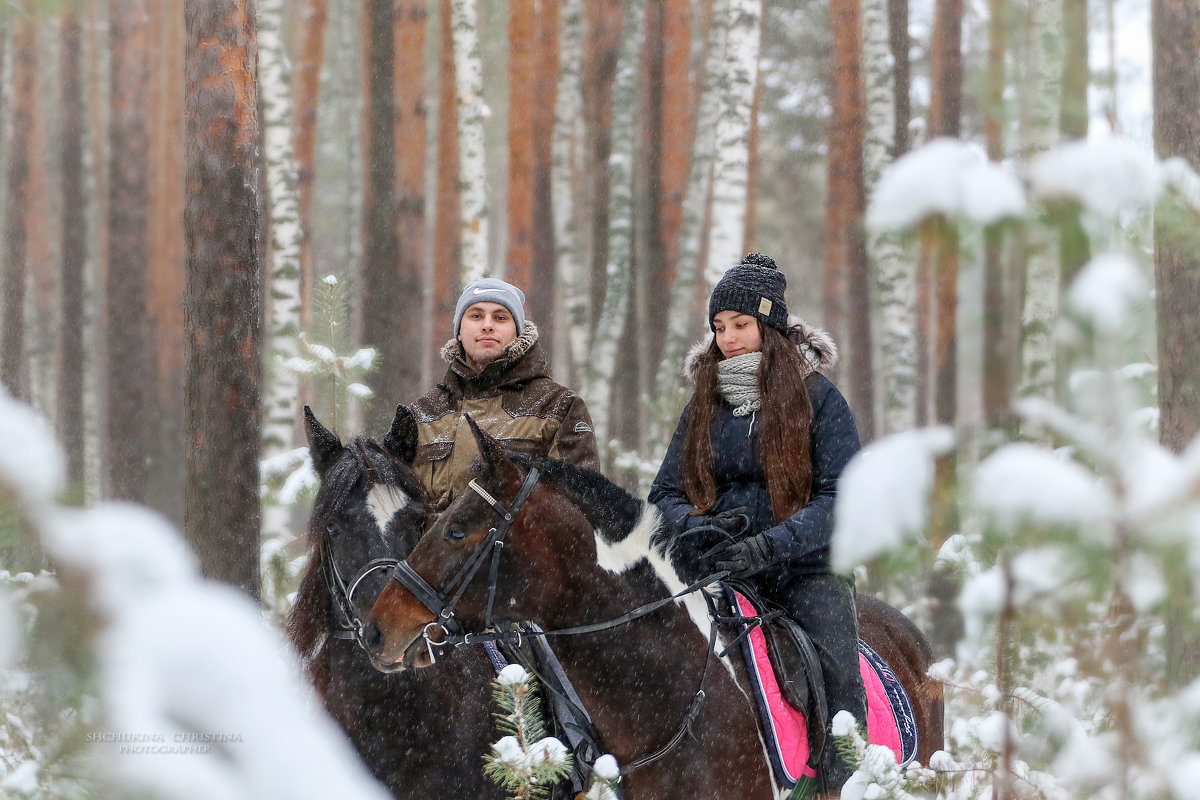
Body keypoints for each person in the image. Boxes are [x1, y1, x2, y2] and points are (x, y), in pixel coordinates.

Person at [648, 252, 866, 794]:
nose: (728, 338)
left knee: (838, 668)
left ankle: (846, 776)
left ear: (770, 327)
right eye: (719, 327)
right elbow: (664, 492)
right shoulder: (703, 402)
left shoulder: (820, 398)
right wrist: (693, 531)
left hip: (805, 571)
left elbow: (842, 497)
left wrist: (769, 547)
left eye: (741, 325)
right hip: (717, 570)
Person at [409, 277, 600, 511]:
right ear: (459, 331)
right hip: (426, 548)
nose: (487, 325)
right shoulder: (421, 413)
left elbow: (577, 512)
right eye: (476, 316)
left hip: (515, 547)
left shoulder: (558, 407)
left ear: (518, 332)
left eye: (500, 317)